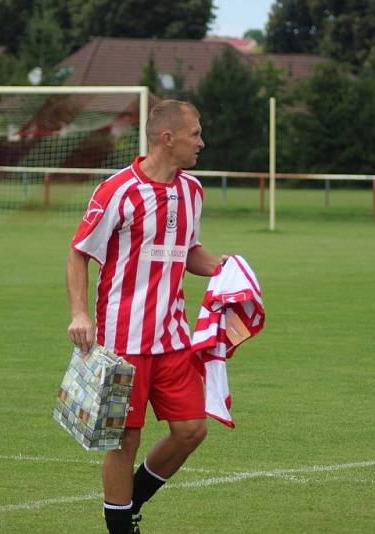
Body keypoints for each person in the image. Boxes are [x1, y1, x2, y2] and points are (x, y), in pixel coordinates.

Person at [66, 99, 222, 534]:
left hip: (173, 339)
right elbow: (79, 253)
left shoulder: (192, 191)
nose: (201, 142)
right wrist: (80, 313)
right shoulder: (117, 191)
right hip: (122, 342)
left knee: (191, 430)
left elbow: (188, 250)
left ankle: (128, 503)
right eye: (195, 134)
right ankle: (121, 527)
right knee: (125, 439)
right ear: (167, 138)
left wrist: (226, 269)